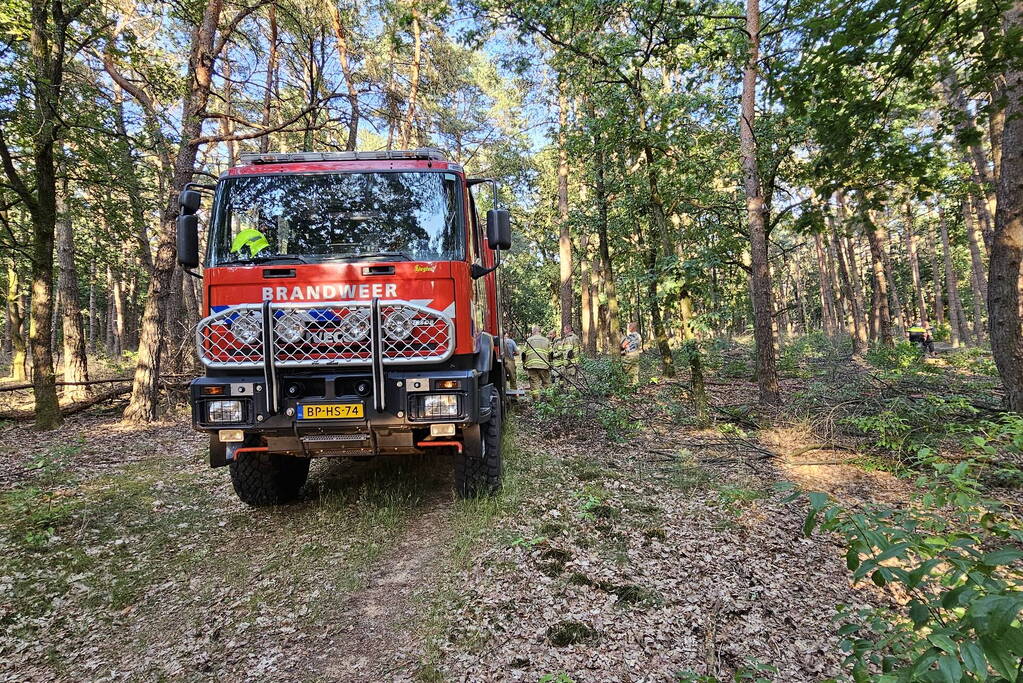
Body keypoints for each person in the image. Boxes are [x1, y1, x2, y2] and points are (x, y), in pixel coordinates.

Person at [522, 325, 552, 397]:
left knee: (534, 384)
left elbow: (523, 353)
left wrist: (524, 364)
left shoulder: (529, 340)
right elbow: (551, 353)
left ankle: (536, 401)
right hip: (544, 366)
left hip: (531, 366)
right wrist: (550, 364)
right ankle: (547, 399)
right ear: (540, 331)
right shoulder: (546, 340)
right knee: (546, 383)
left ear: (533, 331)